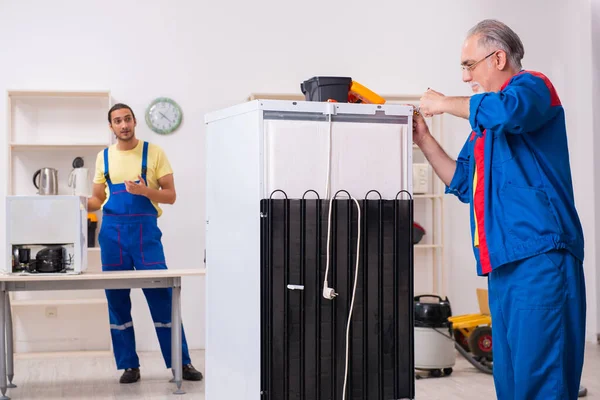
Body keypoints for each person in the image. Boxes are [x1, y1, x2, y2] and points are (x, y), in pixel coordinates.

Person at [414, 19, 586, 399]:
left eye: (468, 65)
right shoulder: (485, 128)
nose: (464, 77)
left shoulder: (532, 88)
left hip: (541, 256)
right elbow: (461, 180)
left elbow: (509, 112)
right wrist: (424, 141)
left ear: (499, 57)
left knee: (542, 380)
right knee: (511, 381)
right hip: (504, 263)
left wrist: (442, 103)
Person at [87, 103, 203, 384]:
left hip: (145, 236)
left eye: (127, 119)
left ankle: (181, 363)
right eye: (117, 121)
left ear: (135, 121)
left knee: (162, 297)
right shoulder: (103, 158)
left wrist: (144, 190)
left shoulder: (154, 153)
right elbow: (96, 200)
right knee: (117, 301)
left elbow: (170, 195)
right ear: (111, 126)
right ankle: (129, 365)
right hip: (112, 236)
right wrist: (75, 203)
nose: (123, 125)